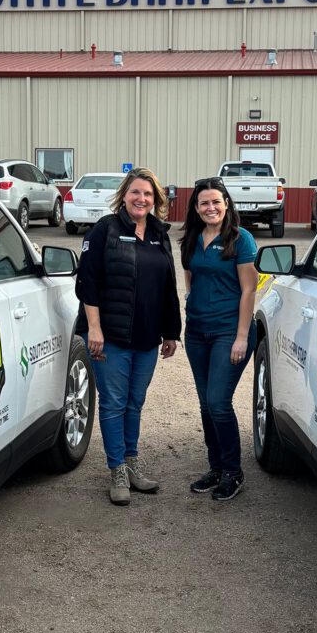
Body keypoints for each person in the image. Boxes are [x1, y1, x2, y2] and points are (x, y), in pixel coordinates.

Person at [75, 167, 182, 506]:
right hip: (110, 336)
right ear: (124, 195)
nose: (141, 199)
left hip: (147, 337)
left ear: (156, 200)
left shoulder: (159, 234)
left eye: (148, 194)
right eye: (136, 192)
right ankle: (117, 469)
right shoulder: (105, 229)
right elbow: (87, 282)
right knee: (113, 403)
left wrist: (171, 332)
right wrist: (94, 328)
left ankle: (132, 462)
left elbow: (168, 286)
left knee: (135, 402)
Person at [180, 177, 258, 502]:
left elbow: (249, 290)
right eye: (204, 203)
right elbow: (190, 274)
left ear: (226, 204)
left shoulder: (240, 239)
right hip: (197, 332)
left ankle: (233, 472)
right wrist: (191, 301)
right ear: (196, 208)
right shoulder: (192, 238)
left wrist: (241, 336)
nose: (210, 207)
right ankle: (216, 468)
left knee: (218, 402)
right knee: (205, 404)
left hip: (230, 331)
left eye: (216, 201)